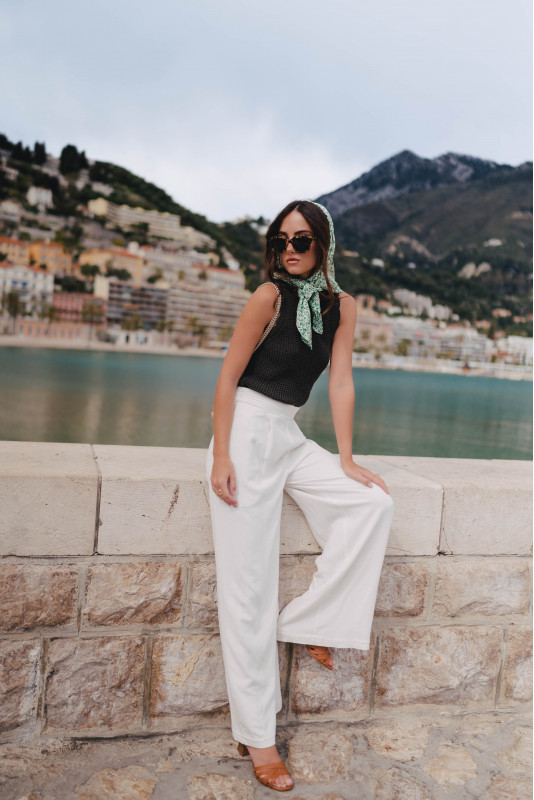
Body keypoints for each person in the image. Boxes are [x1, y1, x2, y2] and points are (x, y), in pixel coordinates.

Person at [205, 199, 394, 792]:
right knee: (248, 591)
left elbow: (340, 380)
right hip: (245, 435)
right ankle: (258, 737)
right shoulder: (269, 296)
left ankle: (312, 620)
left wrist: (346, 458)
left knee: (371, 504)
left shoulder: (343, 307)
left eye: (302, 239)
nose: (289, 249)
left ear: (323, 244)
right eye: (281, 240)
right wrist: (221, 454)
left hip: (286, 434)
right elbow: (227, 378)